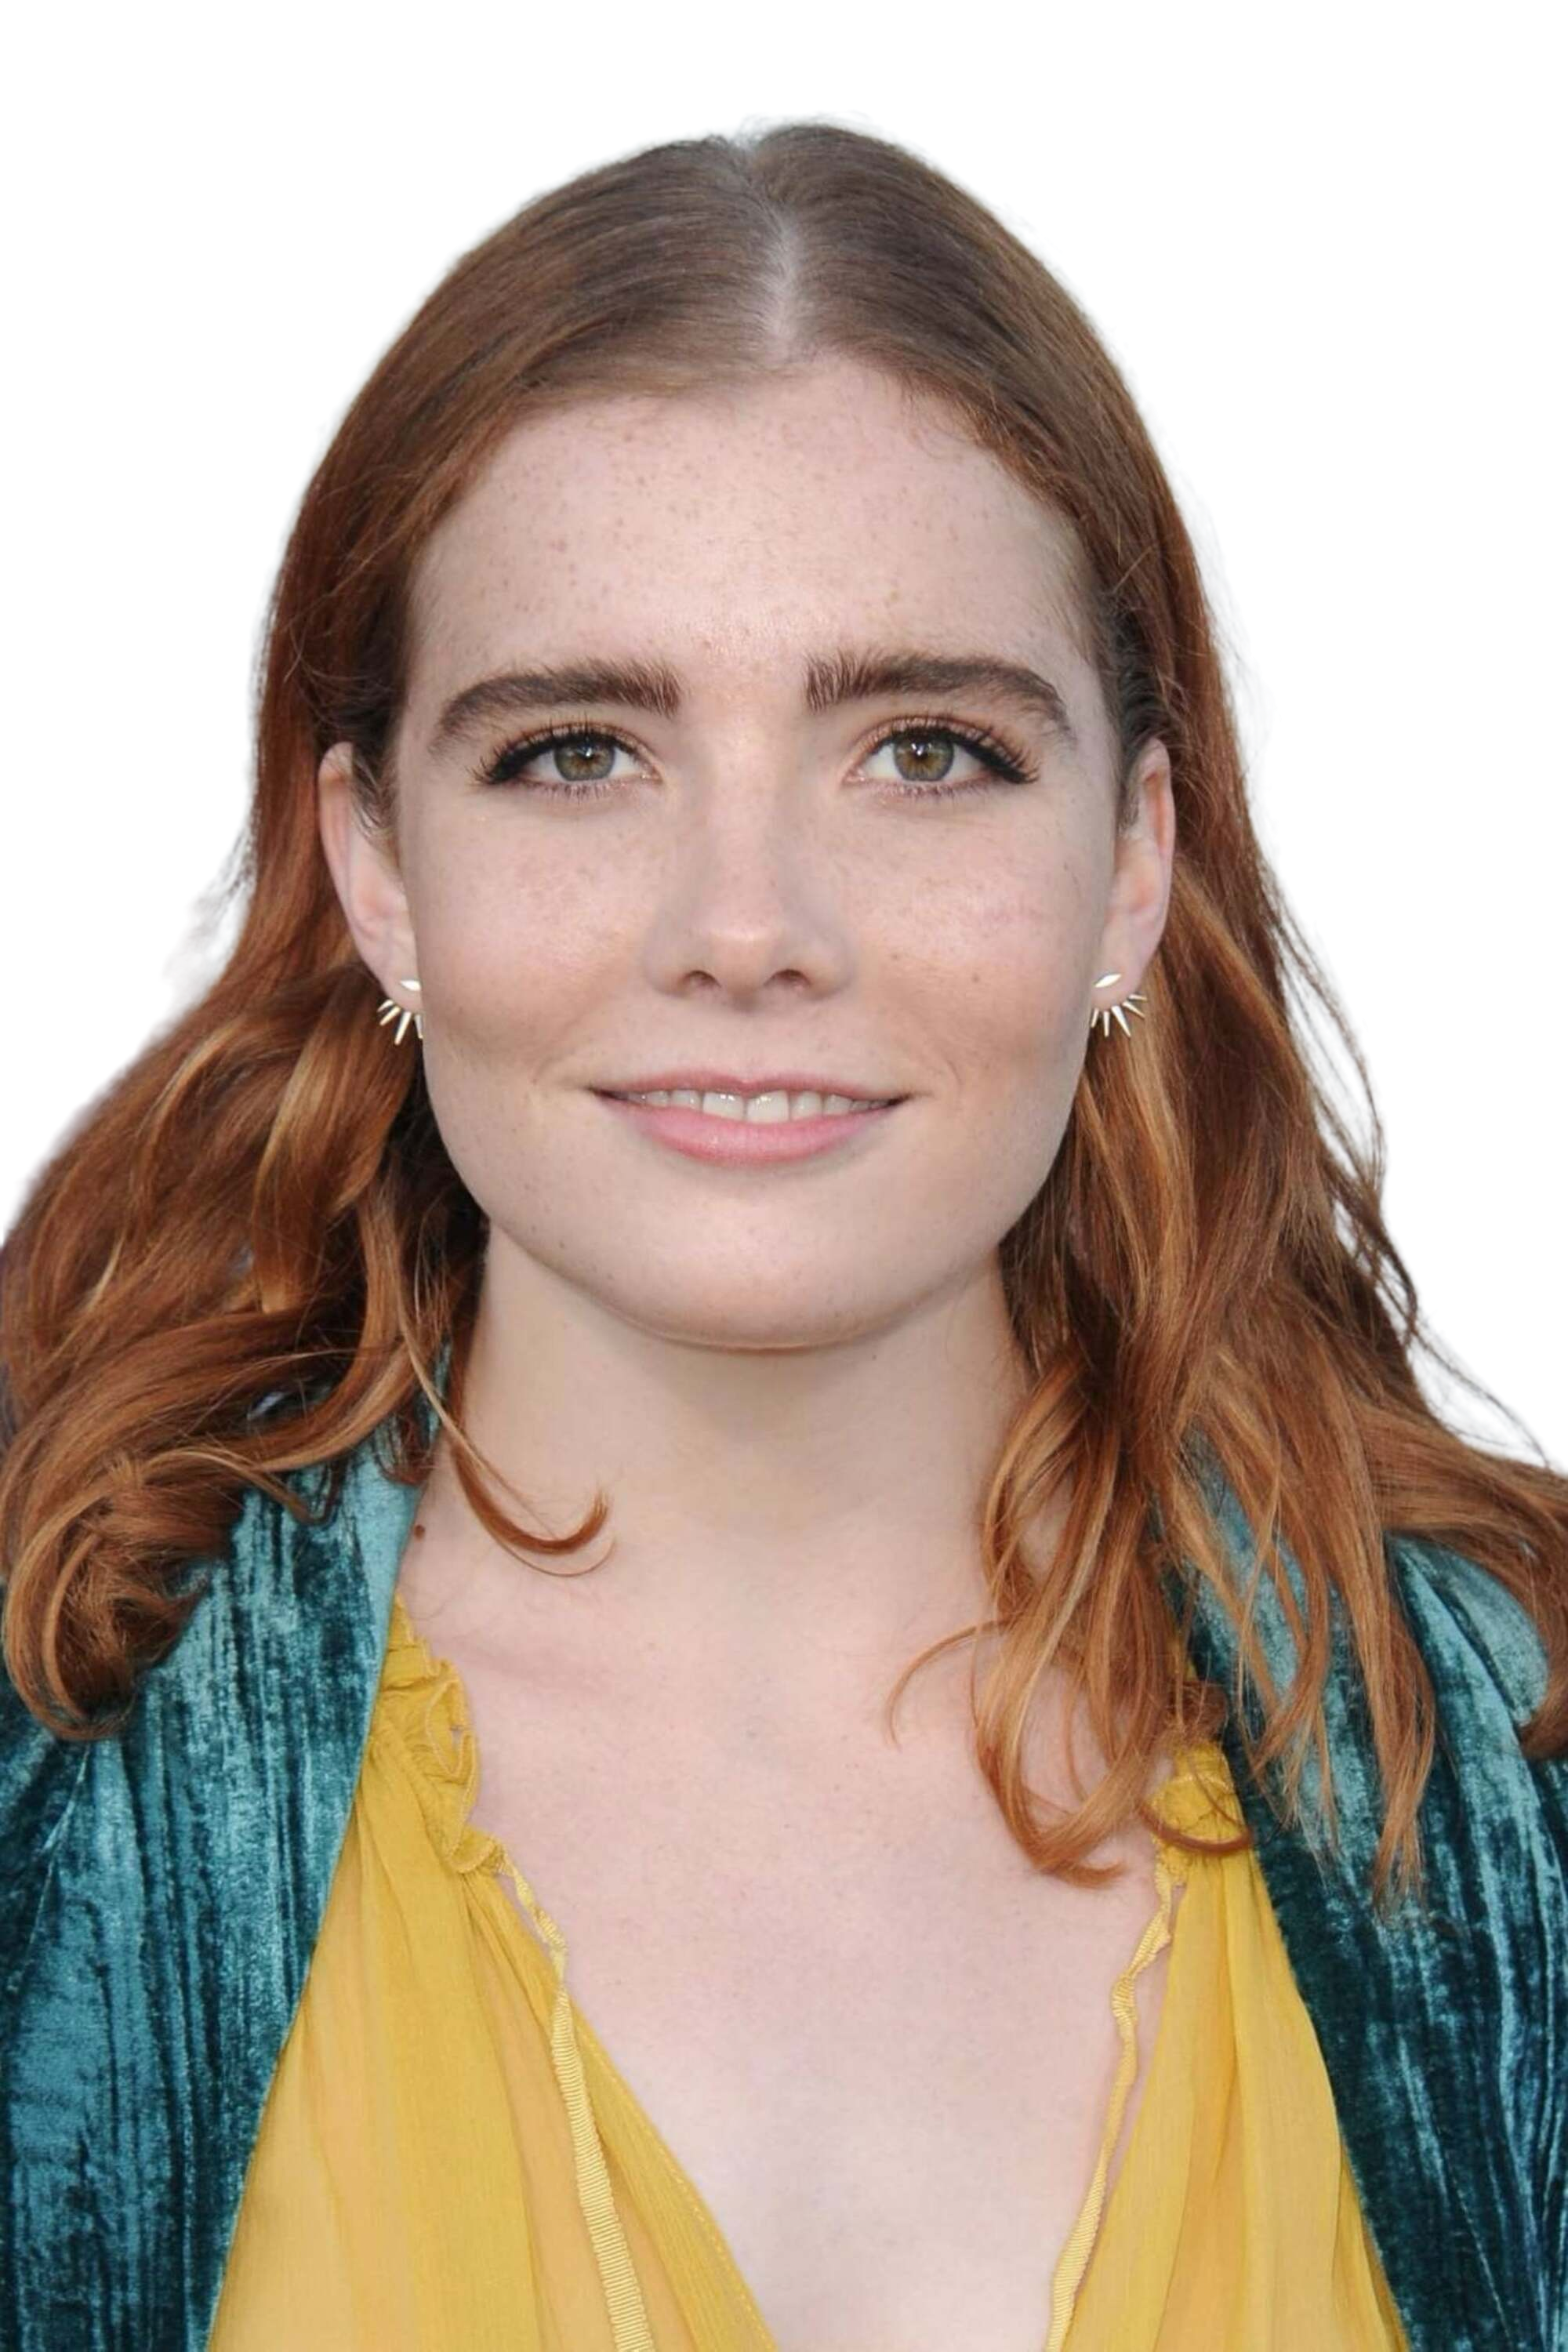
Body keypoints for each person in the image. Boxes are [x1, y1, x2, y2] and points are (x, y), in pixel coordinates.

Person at [2, 113, 1563, 2352]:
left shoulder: (1516, 1782)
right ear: (376, 869)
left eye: (925, 750)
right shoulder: (46, 1797)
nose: (748, 929)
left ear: (1134, 862)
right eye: (577, 751)